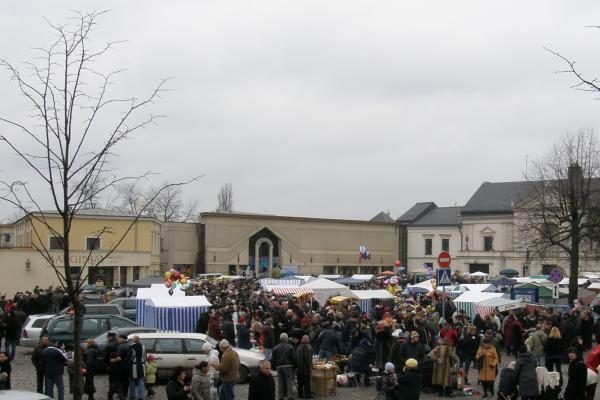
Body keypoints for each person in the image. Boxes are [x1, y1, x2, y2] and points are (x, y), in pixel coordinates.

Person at [271, 333, 296, 400]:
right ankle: (290, 396)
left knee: (280, 382)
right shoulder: (290, 347)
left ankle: (280, 396)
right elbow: (293, 358)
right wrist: (295, 366)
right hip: (288, 365)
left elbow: (273, 359)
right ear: (287, 339)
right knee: (289, 381)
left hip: (279, 366)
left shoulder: (275, 348)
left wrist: (273, 367)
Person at [129, 335, 147, 400]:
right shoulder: (143, 347)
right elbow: (145, 357)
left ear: (133, 340)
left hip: (134, 365)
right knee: (141, 381)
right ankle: (141, 396)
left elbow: (131, 357)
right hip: (142, 365)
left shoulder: (131, 347)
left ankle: (132, 395)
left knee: (132, 381)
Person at [296, 335, 313, 399]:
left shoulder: (298, 346)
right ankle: (307, 395)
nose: (308, 339)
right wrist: (310, 367)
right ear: (306, 339)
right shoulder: (306, 347)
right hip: (305, 369)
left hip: (299, 369)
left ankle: (300, 395)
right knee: (306, 383)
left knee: (300, 383)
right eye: (308, 338)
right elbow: (307, 358)